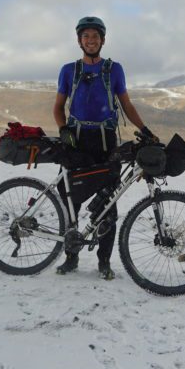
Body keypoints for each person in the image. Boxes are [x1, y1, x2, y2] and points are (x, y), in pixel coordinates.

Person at [53, 16, 155, 280]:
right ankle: (71, 257)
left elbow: (127, 105)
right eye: (85, 36)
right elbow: (57, 106)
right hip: (76, 139)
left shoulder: (114, 70)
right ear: (79, 41)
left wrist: (144, 130)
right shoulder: (68, 70)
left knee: (109, 202)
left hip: (106, 140)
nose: (90, 40)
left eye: (95, 36)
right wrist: (63, 130)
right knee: (71, 200)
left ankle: (104, 262)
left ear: (102, 40)